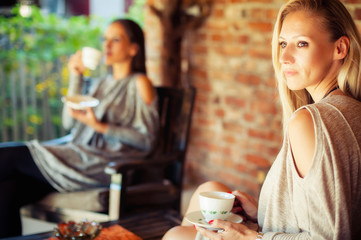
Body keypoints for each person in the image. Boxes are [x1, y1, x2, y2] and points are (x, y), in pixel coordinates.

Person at [163, 0, 361, 239]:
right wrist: (264, 213)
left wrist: (249, 236)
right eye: (282, 43)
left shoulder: (309, 120)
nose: (284, 57)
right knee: (210, 190)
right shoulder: (353, 109)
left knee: (176, 234)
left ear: (339, 48)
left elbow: (330, 236)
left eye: (301, 43)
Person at [0, 19, 159, 238]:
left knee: (8, 155)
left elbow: (147, 141)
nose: (107, 45)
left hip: (103, 164)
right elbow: (69, 122)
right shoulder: (100, 83)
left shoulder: (139, 83)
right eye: (105, 39)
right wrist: (76, 75)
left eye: (116, 39)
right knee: (7, 191)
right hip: (79, 155)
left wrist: (100, 127)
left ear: (133, 48)